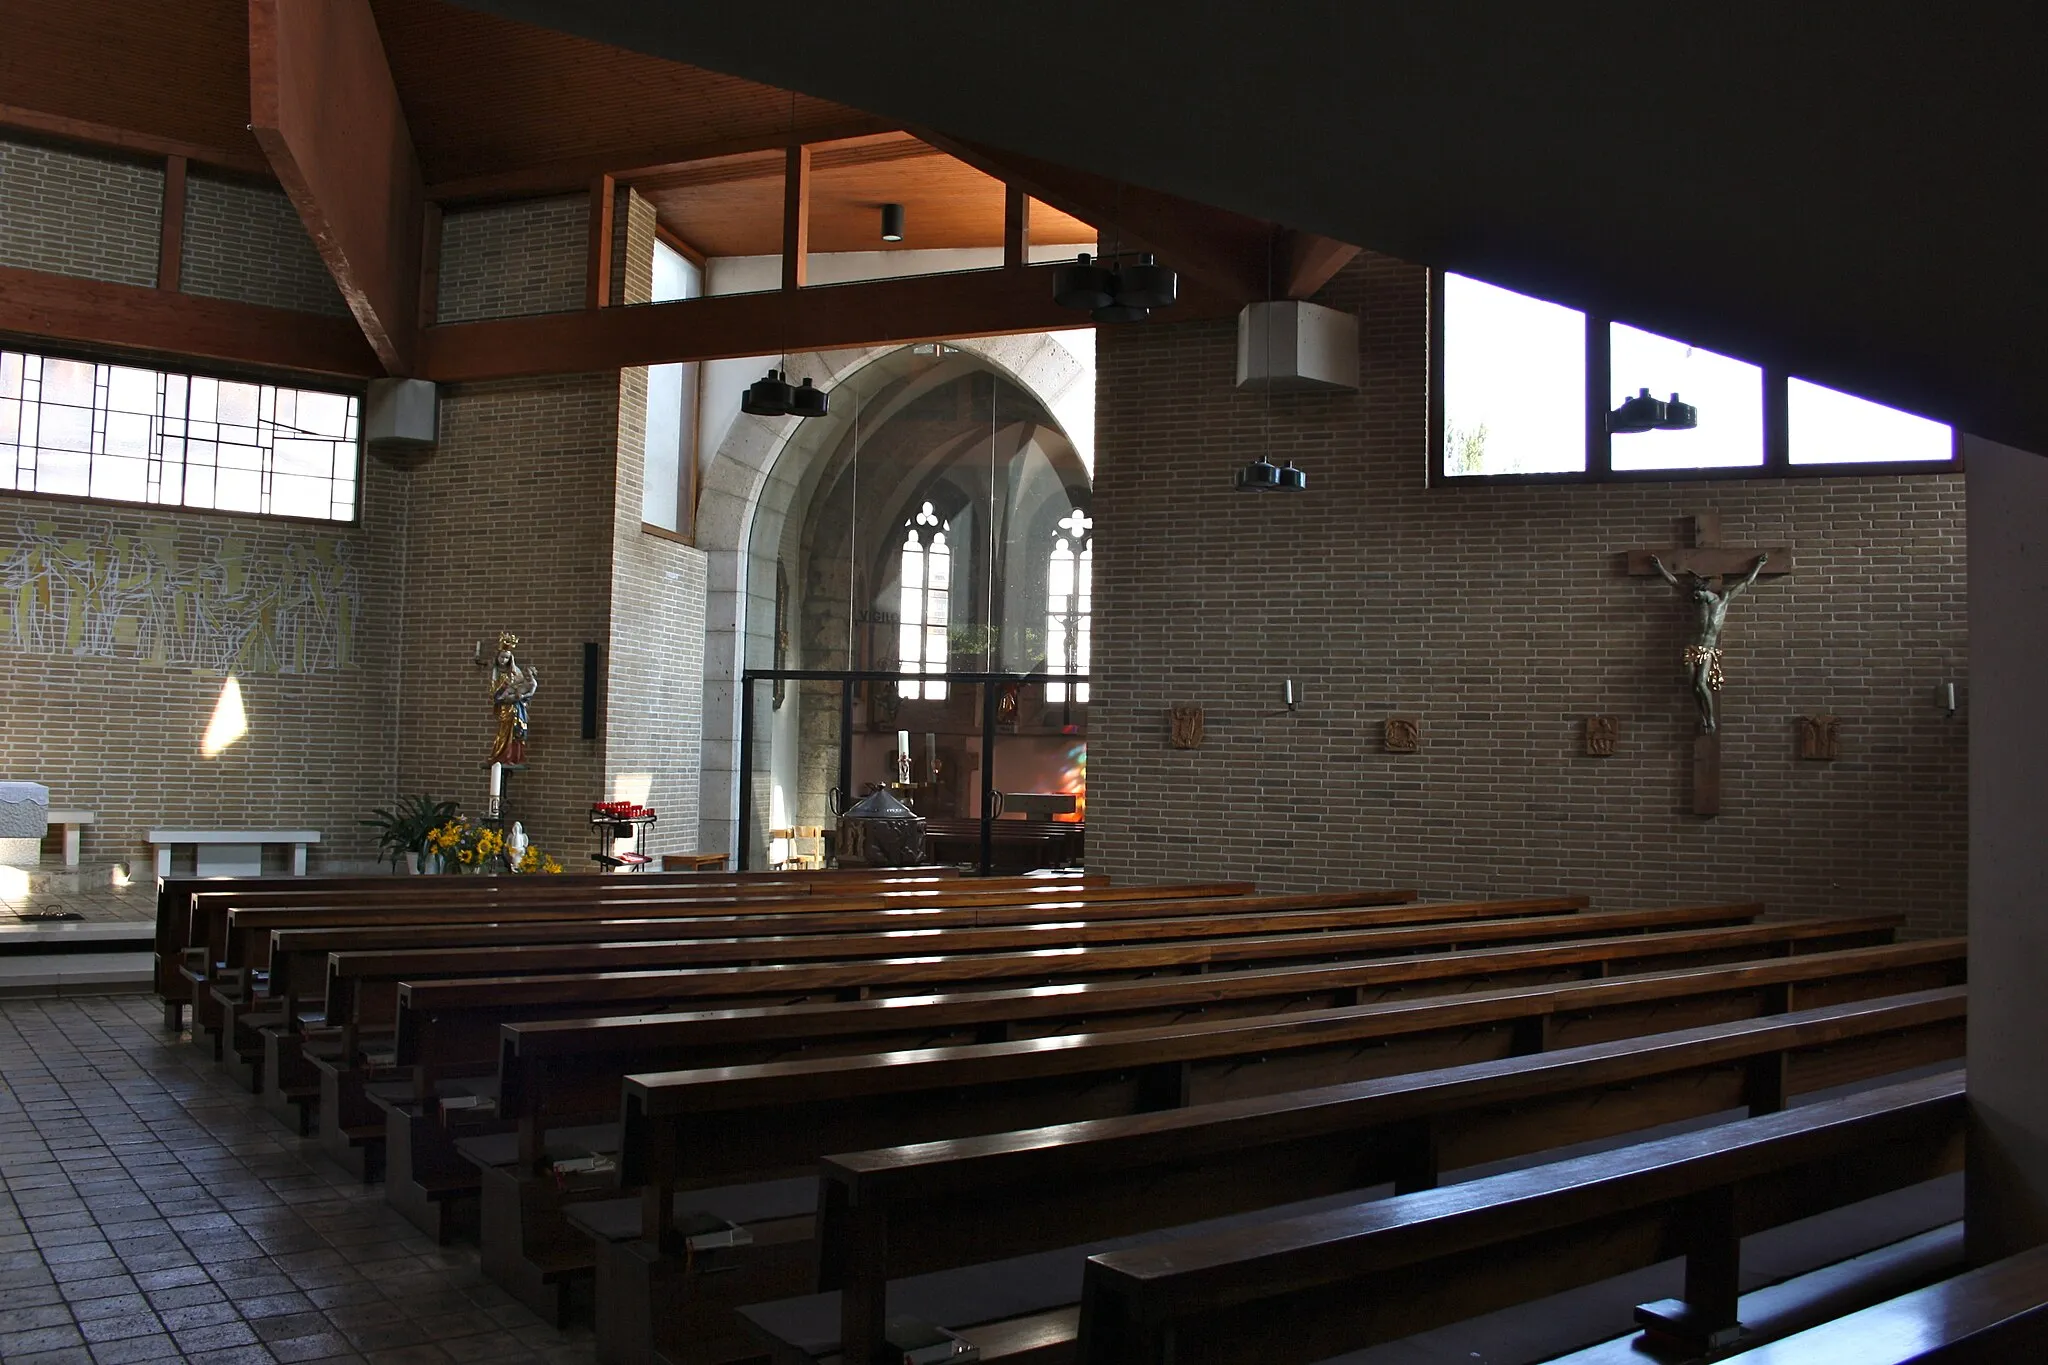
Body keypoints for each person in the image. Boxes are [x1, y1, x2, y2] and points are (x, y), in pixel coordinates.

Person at [1651, 553, 1768, 734]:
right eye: (1695, 594)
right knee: (1692, 685)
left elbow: (1746, 583)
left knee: (1700, 683)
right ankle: (1702, 716)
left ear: (1706, 589)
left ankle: (1711, 718)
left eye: (1699, 593)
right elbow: (1674, 583)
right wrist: (1659, 567)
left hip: (1707, 649)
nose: (1695, 597)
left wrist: (1758, 566)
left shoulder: (1724, 600)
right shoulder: (1697, 603)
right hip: (1691, 648)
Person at [486, 632, 539, 765]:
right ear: (497, 657)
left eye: (507, 658)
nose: (504, 660)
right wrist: (503, 691)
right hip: (504, 708)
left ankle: (512, 757)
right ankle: (500, 756)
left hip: (516, 707)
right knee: (503, 733)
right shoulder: (495, 674)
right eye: (502, 657)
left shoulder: (517, 672)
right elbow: (493, 694)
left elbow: (525, 688)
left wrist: (519, 697)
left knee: (516, 733)